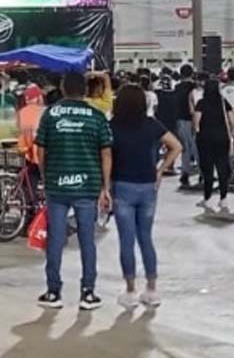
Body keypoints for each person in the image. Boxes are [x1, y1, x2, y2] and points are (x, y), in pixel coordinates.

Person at [34, 72, 113, 311]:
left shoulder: (50, 114)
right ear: (86, 90)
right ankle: (88, 292)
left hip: (57, 186)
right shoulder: (97, 117)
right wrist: (105, 187)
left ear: (62, 88)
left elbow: (40, 151)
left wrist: (46, 175)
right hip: (87, 186)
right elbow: (106, 153)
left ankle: (53, 291)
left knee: (56, 239)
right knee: (87, 240)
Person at [110, 85, 181, 309]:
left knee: (126, 241)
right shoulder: (151, 125)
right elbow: (176, 146)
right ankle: (152, 290)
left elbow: (105, 156)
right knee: (146, 238)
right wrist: (160, 171)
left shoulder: (112, 126)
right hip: (148, 186)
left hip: (122, 186)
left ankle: (130, 291)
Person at [193, 79, 233, 214]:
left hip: (205, 139)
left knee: (207, 169)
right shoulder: (223, 103)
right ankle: (224, 198)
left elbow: (196, 122)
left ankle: (208, 197)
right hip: (222, 138)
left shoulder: (201, 103)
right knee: (222, 168)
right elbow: (231, 119)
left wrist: (197, 131)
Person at [173, 66, 198, 189]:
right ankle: (202, 172)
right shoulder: (194, 87)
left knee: (185, 147)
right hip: (195, 119)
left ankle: (185, 172)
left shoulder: (177, 88)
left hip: (181, 119)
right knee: (197, 146)